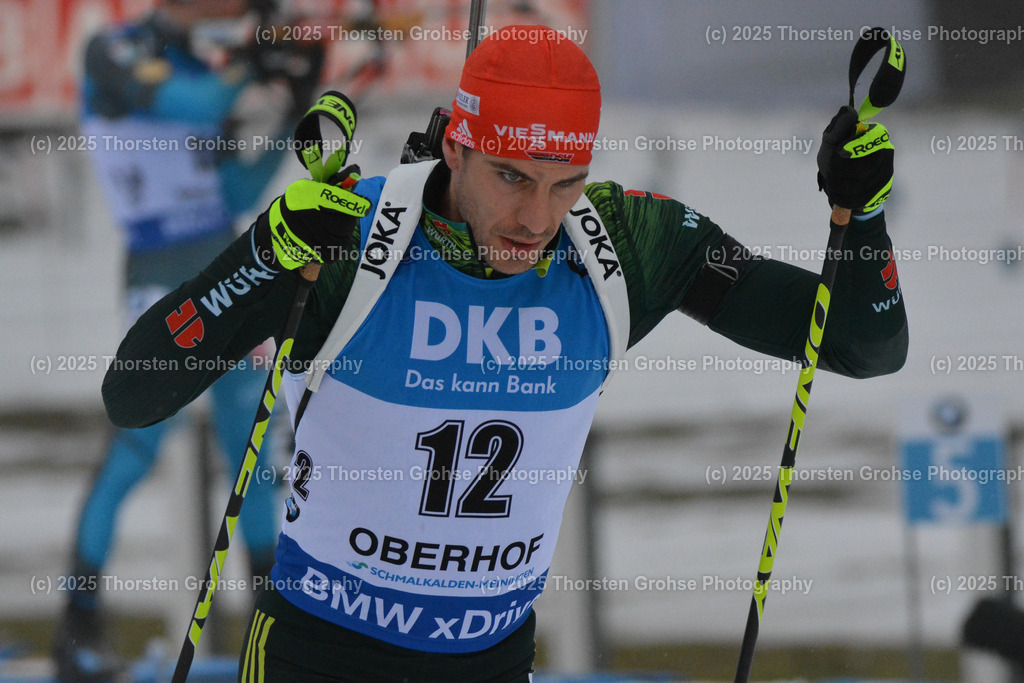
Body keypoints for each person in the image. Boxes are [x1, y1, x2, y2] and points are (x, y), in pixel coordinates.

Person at [101, 25, 908, 682]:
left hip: (491, 661)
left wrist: (861, 215)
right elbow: (133, 392)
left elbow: (858, 344)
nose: (536, 216)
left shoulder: (625, 244)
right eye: (512, 177)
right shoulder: (357, 237)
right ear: (455, 147)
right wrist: (265, 254)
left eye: (565, 183)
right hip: (321, 656)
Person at [54, 0, 323, 679]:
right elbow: (195, 105)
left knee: (252, 452)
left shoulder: (199, 60)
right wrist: (252, 67)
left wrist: (296, 106)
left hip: (223, 274)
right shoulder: (111, 51)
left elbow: (231, 187)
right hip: (161, 279)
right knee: (135, 447)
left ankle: (274, 623)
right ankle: (77, 624)